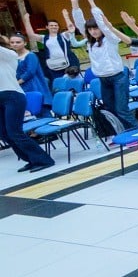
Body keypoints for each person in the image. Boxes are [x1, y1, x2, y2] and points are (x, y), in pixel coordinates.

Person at [71, 0, 138, 129]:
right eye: (90, 29)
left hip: (118, 77)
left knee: (122, 109)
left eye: (95, 28)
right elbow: (79, 23)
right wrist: (75, 3)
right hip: (103, 79)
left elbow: (103, 23)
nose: (93, 31)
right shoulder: (90, 42)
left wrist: (92, 3)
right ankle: (120, 132)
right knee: (109, 109)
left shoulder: (110, 39)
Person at [0, 35, 55, 173]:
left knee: (15, 132)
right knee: (4, 133)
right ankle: (30, 159)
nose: (14, 44)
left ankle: (43, 159)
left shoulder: (9, 55)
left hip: (13, 96)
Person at [21, 14, 82, 85]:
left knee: (75, 82)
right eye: (51, 25)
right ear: (47, 27)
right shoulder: (44, 38)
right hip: (54, 66)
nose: (54, 27)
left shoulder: (64, 35)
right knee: (60, 85)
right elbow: (31, 35)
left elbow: (71, 29)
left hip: (69, 63)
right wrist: (27, 21)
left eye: (56, 25)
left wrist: (66, 17)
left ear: (58, 27)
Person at [9, 33, 53, 112]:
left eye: (18, 42)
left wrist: (17, 83)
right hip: (21, 87)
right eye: (12, 42)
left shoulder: (30, 55)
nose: (15, 44)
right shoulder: (13, 57)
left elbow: (30, 72)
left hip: (34, 85)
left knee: (40, 109)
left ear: (25, 43)